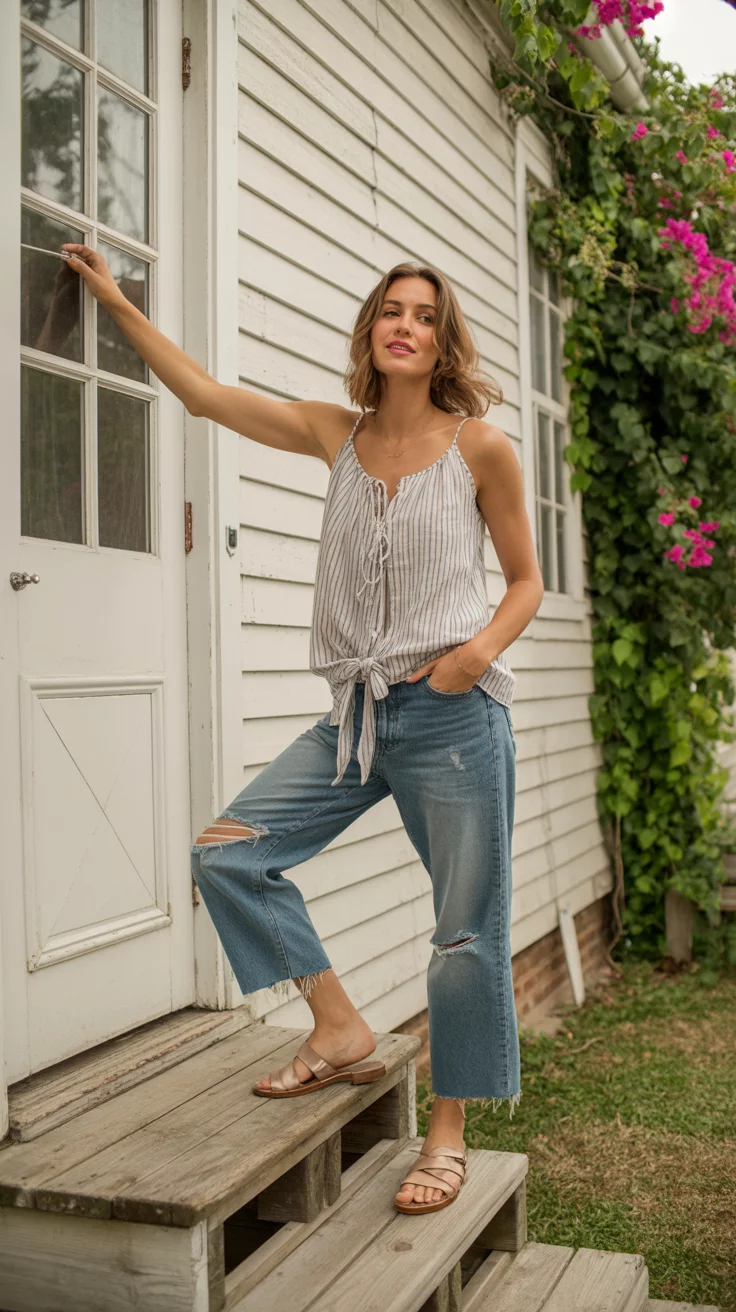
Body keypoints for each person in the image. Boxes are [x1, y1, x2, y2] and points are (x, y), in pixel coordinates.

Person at [62, 244, 544, 1215]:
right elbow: (201, 394)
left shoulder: (480, 446)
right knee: (229, 853)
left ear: (442, 339)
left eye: (422, 313)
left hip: (454, 717)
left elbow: (526, 581)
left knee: (464, 933)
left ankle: (444, 1135)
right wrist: (116, 300)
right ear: (371, 331)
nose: (403, 324)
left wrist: (467, 657)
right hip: (357, 714)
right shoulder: (338, 433)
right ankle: (337, 1026)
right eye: (389, 311)